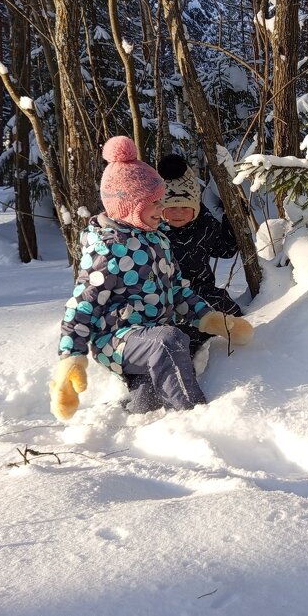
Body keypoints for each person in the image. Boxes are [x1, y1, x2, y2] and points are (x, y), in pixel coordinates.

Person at [49, 136, 254, 421]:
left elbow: (178, 291)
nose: (162, 209)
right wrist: (71, 357)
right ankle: (196, 418)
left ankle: (135, 422)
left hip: (151, 336)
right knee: (169, 340)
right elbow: (82, 306)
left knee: (151, 396)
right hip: (117, 340)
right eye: (155, 203)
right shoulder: (107, 249)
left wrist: (210, 318)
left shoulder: (158, 240)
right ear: (129, 205)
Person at [156, 154, 244, 349]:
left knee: (229, 312)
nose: (178, 213)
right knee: (175, 325)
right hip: (168, 297)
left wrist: (232, 220)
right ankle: (182, 346)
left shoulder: (204, 225)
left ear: (195, 207)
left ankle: (210, 340)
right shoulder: (154, 233)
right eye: (171, 207)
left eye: (185, 207)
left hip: (203, 290)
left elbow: (225, 250)